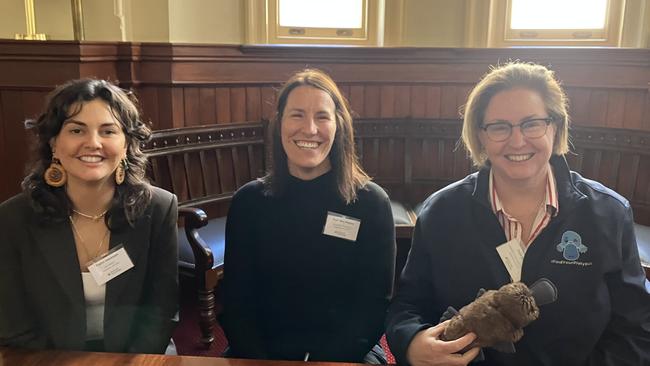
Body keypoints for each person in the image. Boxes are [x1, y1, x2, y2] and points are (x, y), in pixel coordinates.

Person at [386, 62, 650, 365]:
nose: (517, 140)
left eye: (532, 123)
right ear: (480, 135)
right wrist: (411, 342)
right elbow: (408, 305)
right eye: (499, 126)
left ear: (555, 126)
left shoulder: (609, 213)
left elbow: (638, 327)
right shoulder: (441, 212)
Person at [221, 69, 396, 363]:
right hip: (261, 354)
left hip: (347, 353)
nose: (310, 129)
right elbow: (237, 301)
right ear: (280, 124)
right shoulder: (248, 202)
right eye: (297, 115)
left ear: (339, 125)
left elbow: (373, 305)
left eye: (322, 117)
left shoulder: (371, 204)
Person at [0, 79, 179, 354]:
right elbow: (13, 323)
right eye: (76, 130)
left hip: (136, 358)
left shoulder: (158, 208)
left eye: (108, 131)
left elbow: (160, 311)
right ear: (54, 144)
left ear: (126, 145)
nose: (93, 143)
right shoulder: (13, 218)